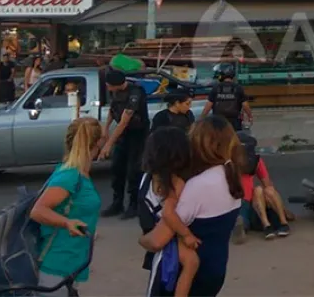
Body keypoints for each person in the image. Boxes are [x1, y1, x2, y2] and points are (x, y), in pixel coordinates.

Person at [140, 116, 244, 297]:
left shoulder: (196, 185)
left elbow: (158, 240)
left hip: (182, 275)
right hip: (216, 269)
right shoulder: (231, 177)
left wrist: (142, 240)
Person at [29, 117, 104, 296]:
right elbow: (38, 210)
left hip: (70, 264)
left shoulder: (77, 173)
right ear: (95, 144)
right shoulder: (70, 176)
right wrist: (67, 223)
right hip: (56, 267)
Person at [147, 130, 201, 297]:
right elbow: (168, 214)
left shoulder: (151, 177)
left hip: (158, 229)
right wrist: (187, 235)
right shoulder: (175, 182)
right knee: (192, 262)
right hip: (170, 234)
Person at [99, 69, 150, 220]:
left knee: (134, 171)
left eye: (109, 86)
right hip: (123, 136)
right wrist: (105, 128)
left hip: (137, 135)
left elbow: (124, 122)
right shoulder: (114, 91)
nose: (108, 88)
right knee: (117, 168)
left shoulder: (135, 92)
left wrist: (108, 144)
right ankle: (117, 203)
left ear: (117, 84)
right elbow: (112, 109)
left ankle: (134, 205)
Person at [233, 132, 292, 243]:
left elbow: (268, 186)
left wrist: (282, 209)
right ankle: (263, 226)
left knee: (261, 190)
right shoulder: (251, 161)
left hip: (251, 204)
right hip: (244, 203)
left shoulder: (252, 161)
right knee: (258, 192)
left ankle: (280, 223)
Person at [201, 63, 251, 132]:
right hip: (234, 121)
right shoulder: (238, 88)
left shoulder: (216, 88)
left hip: (218, 121)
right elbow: (245, 105)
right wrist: (250, 116)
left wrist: (202, 118)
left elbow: (208, 106)